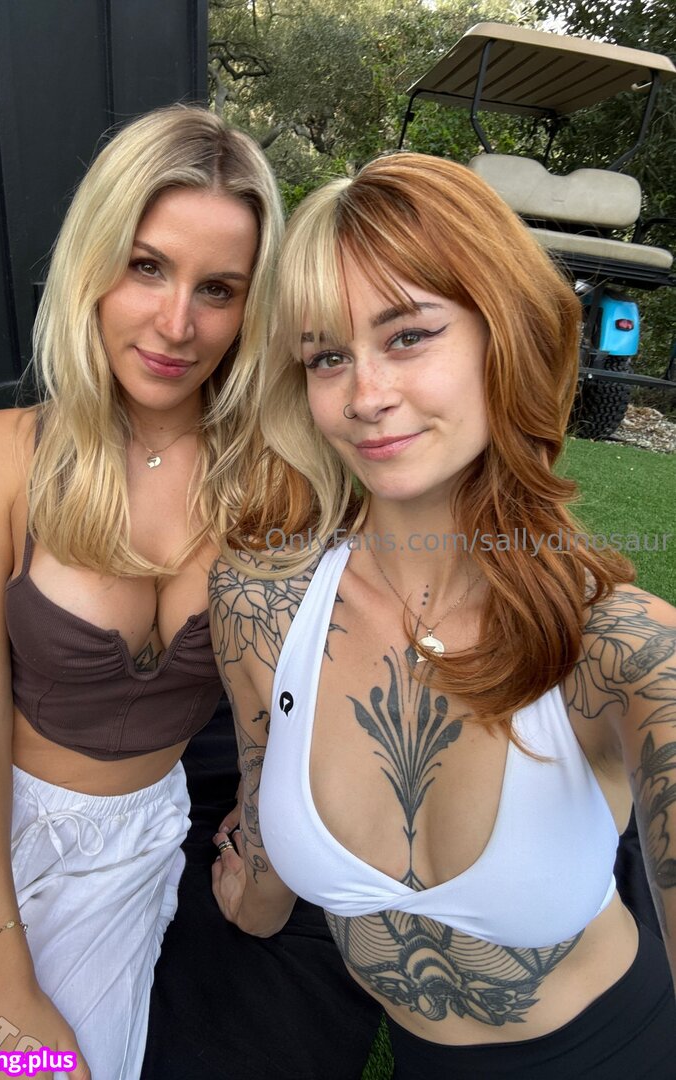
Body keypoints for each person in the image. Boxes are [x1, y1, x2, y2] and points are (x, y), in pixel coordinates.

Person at [209, 152, 676, 1079]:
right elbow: (263, 802)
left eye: (409, 335)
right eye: (327, 356)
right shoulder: (259, 606)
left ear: (505, 337)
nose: (365, 396)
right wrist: (254, 895)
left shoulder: (622, 650)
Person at [0, 104, 282, 1079]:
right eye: (147, 266)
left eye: (217, 289)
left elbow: (293, 704)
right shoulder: (1, 454)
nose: (177, 324)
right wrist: (0, 965)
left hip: (120, 848)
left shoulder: (275, 482)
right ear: (95, 263)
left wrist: (266, 860)